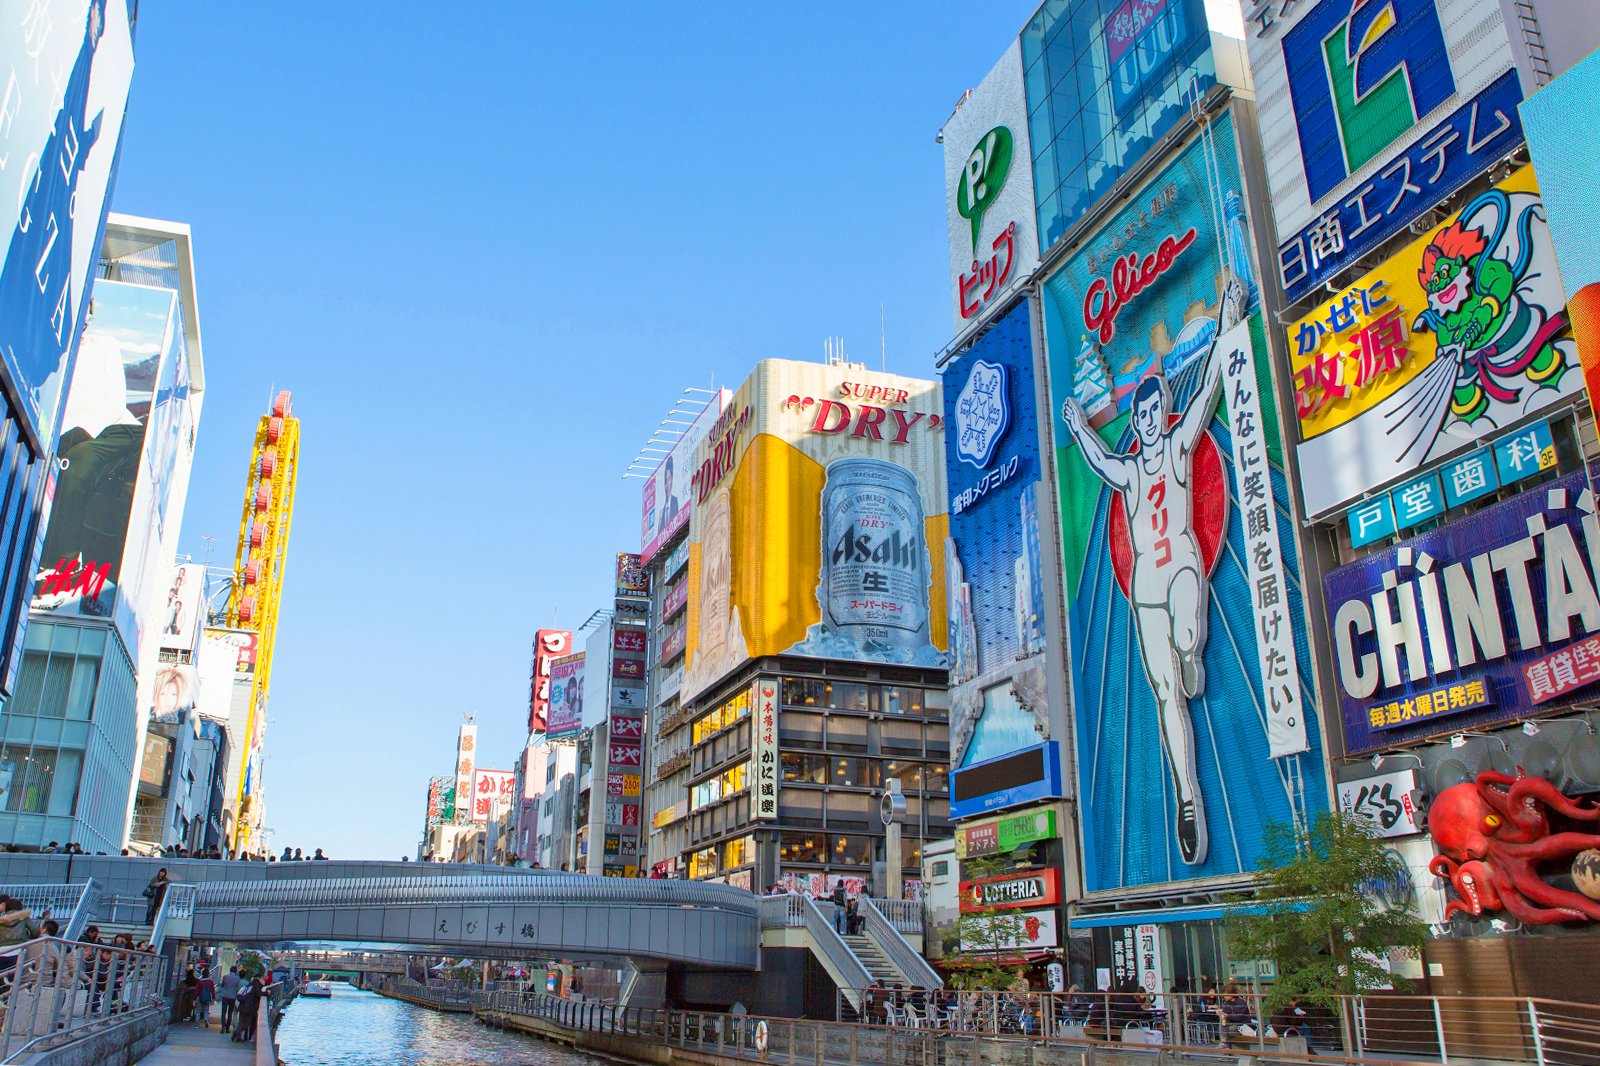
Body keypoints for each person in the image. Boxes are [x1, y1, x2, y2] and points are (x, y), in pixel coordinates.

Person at [1060, 273, 1246, 865]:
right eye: (1138, 414)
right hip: (1145, 586)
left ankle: (1194, 653)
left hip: (1185, 564)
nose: (1144, 421)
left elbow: (1213, 379)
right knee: (1166, 693)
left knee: (1189, 638)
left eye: (1150, 411)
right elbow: (1097, 459)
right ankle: (1187, 796)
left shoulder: (1180, 446)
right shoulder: (1130, 469)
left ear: (1160, 413)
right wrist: (1076, 426)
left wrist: (1229, 318)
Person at [234, 977, 263, 1042]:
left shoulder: (246, 988)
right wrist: (267, 993)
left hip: (242, 1007)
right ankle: (237, 1034)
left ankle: (237, 1035)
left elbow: (239, 996)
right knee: (247, 1023)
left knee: (241, 1023)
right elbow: (259, 994)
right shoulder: (254, 989)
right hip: (250, 1009)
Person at [219, 965, 242, 1032]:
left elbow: (222, 985)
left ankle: (223, 1027)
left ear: (230, 970)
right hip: (232, 997)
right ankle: (227, 1028)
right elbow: (237, 987)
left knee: (223, 1012)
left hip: (225, 996)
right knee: (230, 1013)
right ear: (236, 971)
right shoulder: (237, 978)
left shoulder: (225, 977)